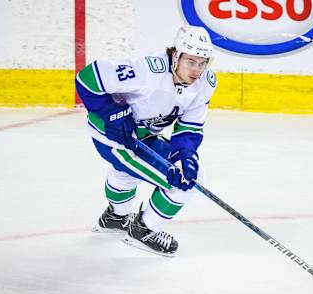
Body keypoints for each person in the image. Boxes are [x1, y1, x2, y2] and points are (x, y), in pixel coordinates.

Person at [75, 25, 217, 257]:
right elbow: (88, 77)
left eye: (203, 63)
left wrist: (185, 154)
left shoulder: (206, 83)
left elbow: (190, 127)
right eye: (191, 62)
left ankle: (115, 218)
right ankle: (144, 230)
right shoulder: (146, 71)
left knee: (129, 173)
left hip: (145, 135)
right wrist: (111, 113)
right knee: (184, 182)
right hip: (114, 138)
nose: (197, 70)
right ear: (175, 56)